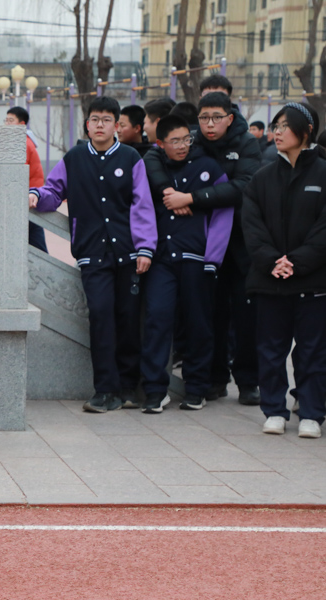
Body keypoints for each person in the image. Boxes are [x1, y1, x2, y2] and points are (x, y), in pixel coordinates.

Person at [29, 96, 157, 413]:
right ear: (87, 125)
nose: (100, 125)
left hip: (128, 254)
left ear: (116, 125)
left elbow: (142, 205)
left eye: (106, 120)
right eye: (95, 120)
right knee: (100, 317)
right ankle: (105, 390)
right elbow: (54, 191)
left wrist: (145, 247)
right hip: (91, 253)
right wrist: (36, 195)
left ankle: (128, 387)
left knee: (128, 320)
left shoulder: (130, 158)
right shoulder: (74, 158)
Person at [143, 91, 262, 405]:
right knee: (205, 316)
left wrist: (191, 199)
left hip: (238, 242)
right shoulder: (188, 140)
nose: (209, 124)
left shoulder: (246, 143)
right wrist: (168, 190)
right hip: (188, 249)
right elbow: (154, 156)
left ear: (229, 117)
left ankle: (248, 381)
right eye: (204, 117)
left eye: (216, 117)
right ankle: (211, 381)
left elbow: (243, 187)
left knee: (243, 314)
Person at [243, 102, 326, 438]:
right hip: (270, 280)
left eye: (284, 126)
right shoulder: (262, 178)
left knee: (312, 351)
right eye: (275, 126)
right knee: (271, 349)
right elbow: (252, 226)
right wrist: (273, 261)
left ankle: (311, 413)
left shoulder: (323, 173)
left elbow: (323, 229)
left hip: (314, 280)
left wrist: (298, 261)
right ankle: (274, 410)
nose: (277, 132)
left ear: (306, 132)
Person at [139, 115, 232, 413]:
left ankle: (196, 388)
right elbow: (140, 207)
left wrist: (213, 258)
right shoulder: (154, 170)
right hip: (162, 259)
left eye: (186, 139)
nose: (182, 146)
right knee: (157, 319)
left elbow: (223, 215)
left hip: (198, 259)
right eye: (175, 141)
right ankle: (155, 390)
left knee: (198, 323)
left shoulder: (209, 167)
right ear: (160, 143)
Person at [6, 106, 49, 252]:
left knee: (34, 240)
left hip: (28, 199)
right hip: (30, 197)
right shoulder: (22, 142)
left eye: (11, 120)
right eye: (6, 120)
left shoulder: (22, 144)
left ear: (22, 124)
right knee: (35, 238)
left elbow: (16, 174)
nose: (7, 124)